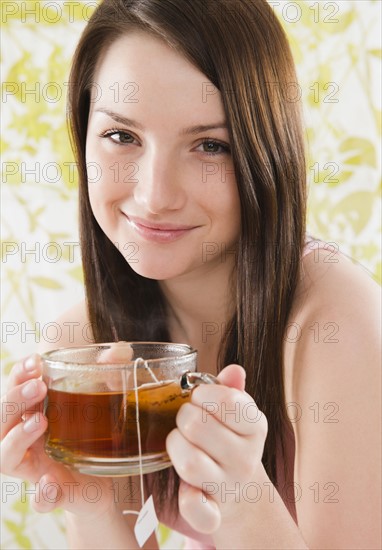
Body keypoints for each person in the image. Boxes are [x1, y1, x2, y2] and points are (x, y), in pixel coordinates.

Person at [1, 0, 380, 548]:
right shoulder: (87, 346)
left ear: (265, 153)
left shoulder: (335, 322)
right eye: (122, 136)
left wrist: (244, 497)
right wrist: (90, 495)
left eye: (210, 145)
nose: (155, 196)